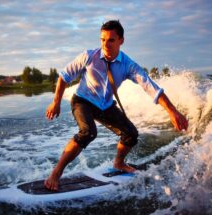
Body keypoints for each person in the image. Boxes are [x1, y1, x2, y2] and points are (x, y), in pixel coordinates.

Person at [45, 20, 188, 191]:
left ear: (121, 40)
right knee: (88, 133)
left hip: (105, 105)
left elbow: (151, 87)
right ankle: (56, 173)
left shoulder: (128, 65)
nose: (105, 44)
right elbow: (64, 77)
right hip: (83, 101)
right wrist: (56, 102)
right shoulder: (88, 56)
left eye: (111, 40)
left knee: (131, 134)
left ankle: (119, 163)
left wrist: (172, 112)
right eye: (102, 39)